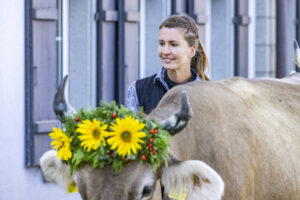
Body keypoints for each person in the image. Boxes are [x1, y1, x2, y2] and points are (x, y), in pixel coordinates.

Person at [126, 15, 209, 114]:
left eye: (173, 44)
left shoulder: (209, 93)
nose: (165, 51)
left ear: (191, 51)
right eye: (161, 43)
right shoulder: (138, 90)